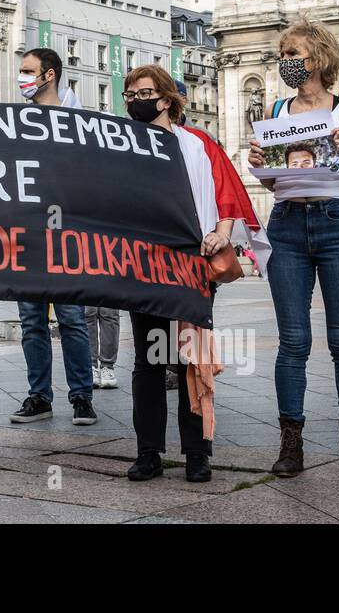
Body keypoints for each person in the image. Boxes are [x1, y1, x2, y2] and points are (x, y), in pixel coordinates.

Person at [248, 18, 339, 481]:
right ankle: (291, 445)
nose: (286, 62)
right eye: (282, 55)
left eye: (294, 55)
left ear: (319, 59)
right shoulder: (277, 107)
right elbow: (273, 181)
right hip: (287, 225)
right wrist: (259, 166)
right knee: (293, 342)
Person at [120, 65, 254, 483]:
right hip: (142, 264)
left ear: (165, 99)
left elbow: (226, 194)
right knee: (148, 358)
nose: (134, 100)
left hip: (192, 265)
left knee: (191, 357)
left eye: (143, 92)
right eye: (128, 94)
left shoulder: (198, 144)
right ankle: (148, 453)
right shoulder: (120, 147)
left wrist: (221, 233)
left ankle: (197, 452)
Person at [8, 47, 97, 428]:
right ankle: (39, 396)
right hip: (27, 231)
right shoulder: (12, 121)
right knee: (31, 320)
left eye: (28, 71)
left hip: (65, 232)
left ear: (50, 75)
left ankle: (81, 397)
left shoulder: (78, 121)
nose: (22, 78)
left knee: (72, 318)